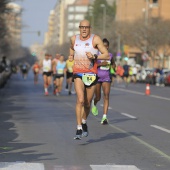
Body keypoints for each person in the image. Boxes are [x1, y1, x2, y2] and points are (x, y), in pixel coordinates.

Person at [70, 19, 109, 140]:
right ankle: (78, 128)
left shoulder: (95, 39)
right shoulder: (73, 39)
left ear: (89, 28)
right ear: (79, 28)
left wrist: (95, 56)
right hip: (78, 74)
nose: (84, 29)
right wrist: (71, 55)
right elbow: (72, 48)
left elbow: (106, 54)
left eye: (86, 27)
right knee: (80, 100)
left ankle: (84, 121)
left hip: (91, 74)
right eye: (82, 27)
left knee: (87, 103)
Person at [91, 38, 116, 124]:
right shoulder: (96, 55)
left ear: (108, 47)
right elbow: (92, 66)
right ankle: (94, 104)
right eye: (103, 46)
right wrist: (101, 64)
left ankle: (104, 117)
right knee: (98, 97)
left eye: (106, 46)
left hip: (106, 78)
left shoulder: (110, 56)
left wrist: (113, 67)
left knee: (106, 96)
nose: (104, 48)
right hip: (97, 78)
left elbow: (113, 63)